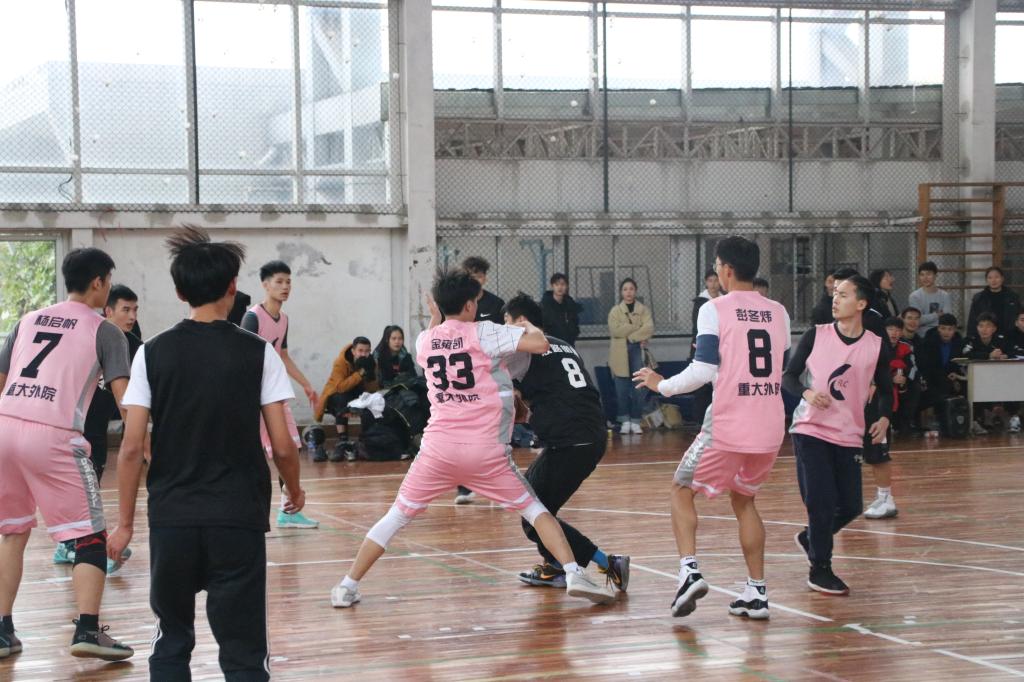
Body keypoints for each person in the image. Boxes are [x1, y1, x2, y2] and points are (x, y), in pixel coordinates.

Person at [329, 269, 616, 609]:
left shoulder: (424, 341)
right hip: (486, 452)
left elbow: (434, 339)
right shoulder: (487, 332)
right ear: (469, 305)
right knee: (535, 510)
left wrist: (435, 317)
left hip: (438, 451)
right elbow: (539, 344)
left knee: (396, 516)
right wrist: (528, 324)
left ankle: (347, 585)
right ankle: (573, 572)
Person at [108, 226, 305, 681]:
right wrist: (294, 489)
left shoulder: (151, 352)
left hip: (173, 518)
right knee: (243, 650)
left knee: (171, 641)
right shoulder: (259, 353)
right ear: (233, 287)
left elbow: (132, 447)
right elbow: (282, 445)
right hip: (238, 516)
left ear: (180, 292)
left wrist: (125, 524)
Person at [634, 236, 790, 620]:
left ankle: (689, 572)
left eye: (718, 264)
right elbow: (779, 366)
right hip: (770, 425)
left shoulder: (713, 308)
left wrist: (662, 385)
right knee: (745, 500)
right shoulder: (779, 312)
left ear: (727, 269)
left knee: (681, 489)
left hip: (729, 423)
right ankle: (756, 592)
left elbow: (703, 370)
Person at [0, 247, 134, 662]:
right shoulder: (106, 330)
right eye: (109, 281)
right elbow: (126, 403)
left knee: (12, 532)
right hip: (53, 435)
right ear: (98, 282)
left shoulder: (27, 320)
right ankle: (88, 629)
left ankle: (2, 631)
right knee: (90, 535)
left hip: (4, 428)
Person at [502, 294, 629, 593]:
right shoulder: (563, 344)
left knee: (534, 515)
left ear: (521, 323)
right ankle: (558, 564)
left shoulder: (525, 349)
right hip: (589, 434)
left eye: (506, 323)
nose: (503, 330)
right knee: (538, 509)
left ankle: (605, 562)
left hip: (572, 440)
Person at [784, 275, 893, 595]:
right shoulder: (816, 335)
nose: (835, 299)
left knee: (850, 506)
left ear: (861, 304)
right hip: (811, 430)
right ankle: (820, 569)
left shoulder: (875, 345)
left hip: (849, 435)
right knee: (820, 503)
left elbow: (886, 389)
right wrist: (807, 393)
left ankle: (810, 538)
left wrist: (884, 417)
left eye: (843, 294)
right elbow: (789, 377)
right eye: (834, 293)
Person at [53, 284, 145, 569]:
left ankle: (86, 542)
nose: (132, 316)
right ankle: (70, 545)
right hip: (74, 427)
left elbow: (134, 397)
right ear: (108, 311)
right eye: (125, 310)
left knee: (93, 483)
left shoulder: (134, 344)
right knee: (79, 487)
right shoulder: (88, 336)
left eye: (135, 310)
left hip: (100, 429)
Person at [241, 261, 320, 529]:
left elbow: (282, 355)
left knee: (290, 449)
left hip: (275, 394)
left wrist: (305, 384)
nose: (285, 286)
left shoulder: (283, 319)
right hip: (254, 396)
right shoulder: (252, 317)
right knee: (255, 454)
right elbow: (242, 357)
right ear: (265, 285)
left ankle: (288, 511)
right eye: (279, 281)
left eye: (288, 282)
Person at [455, 256, 506, 503]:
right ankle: (464, 486)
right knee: (464, 432)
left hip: (489, 376)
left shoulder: (496, 304)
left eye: (479, 274)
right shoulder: (456, 304)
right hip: (464, 378)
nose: (476, 278)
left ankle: (494, 485)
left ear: (485, 277)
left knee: (492, 433)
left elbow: (503, 338)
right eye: (471, 274)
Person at [863, 317, 915, 520]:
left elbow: (887, 384)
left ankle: (885, 498)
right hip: (855, 408)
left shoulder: (880, 347)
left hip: (877, 408)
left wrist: (877, 383)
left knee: (878, 452)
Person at [316, 336, 378, 462]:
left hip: (358, 394)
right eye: (360, 351)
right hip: (336, 395)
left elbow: (373, 389)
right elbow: (340, 387)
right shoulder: (341, 362)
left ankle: (365, 439)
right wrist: (360, 374)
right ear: (353, 351)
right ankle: (342, 440)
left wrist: (369, 374)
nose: (364, 354)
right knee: (341, 400)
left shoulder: (371, 362)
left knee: (372, 400)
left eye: (367, 351)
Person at [608, 277, 654, 435]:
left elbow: (649, 328)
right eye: (625, 289)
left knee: (639, 387)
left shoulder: (643, 310)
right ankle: (624, 421)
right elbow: (615, 330)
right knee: (621, 388)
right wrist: (636, 327)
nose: (628, 292)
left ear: (636, 291)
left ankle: (635, 420)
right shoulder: (615, 311)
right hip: (619, 352)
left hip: (637, 350)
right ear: (621, 292)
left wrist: (632, 336)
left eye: (631, 289)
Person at [961, 311, 1018, 433]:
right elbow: (966, 354)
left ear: (994, 329)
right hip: (976, 378)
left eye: (988, 326)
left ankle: (1013, 416)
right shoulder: (970, 340)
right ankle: (976, 420)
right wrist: (988, 355)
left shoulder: (1001, 340)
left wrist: (1005, 356)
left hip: (999, 377)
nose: (984, 329)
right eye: (981, 326)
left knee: (1014, 382)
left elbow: (1013, 352)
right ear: (977, 327)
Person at [917, 313, 965, 431]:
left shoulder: (959, 342)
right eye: (943, 328)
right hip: (931, 379)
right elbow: (926, 366)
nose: (946, 332)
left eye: (950, 329)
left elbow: (959, 364)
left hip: (951, 378)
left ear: (955, 330)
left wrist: (956, 376)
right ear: (938, 328)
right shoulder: (929, 341)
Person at [967, 266, 1022, 336]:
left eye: (996, 277)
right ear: (986, 280)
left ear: (1002, 278)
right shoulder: (979, 298)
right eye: (990, 278)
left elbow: (1019, 318)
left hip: (1009, 336)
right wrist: (971, 337)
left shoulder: (1013, 297)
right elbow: (972, 321)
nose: (993, 280)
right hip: (987, 337)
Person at [896, 307, 925, 433]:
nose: (913, 322)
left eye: (916, 318)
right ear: (902, 319)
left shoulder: (921, 341)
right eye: (909, 318)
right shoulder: (896, 339)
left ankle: (913, 422)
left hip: (915, 378)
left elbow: (923, 365)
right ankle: (902, 424)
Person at [909, 261, 952, 339]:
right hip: (921, 336)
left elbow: (947, 320)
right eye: (922, 275)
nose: (925, 278)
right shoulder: (914, 296)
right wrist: (937, 315)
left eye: (928, 274)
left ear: (935, 275)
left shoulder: (944, 295)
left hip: (940, 335)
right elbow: (918, 320)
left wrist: (926, 318)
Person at [540, 273, 582, 347]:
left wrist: (573, 334)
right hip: (550, 343)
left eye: (562, 284)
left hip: (568, 343)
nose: (560, 287)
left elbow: (574, 323)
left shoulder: (570, 304)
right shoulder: (545, 305)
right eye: (557, 284)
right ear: (552, 286)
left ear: (567, 286)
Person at [462, 256, 505, 323]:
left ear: (485, 278)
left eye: (479, 277)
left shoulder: (497, 303)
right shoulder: (455, 302)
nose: (475, 280)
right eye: (472, 277)